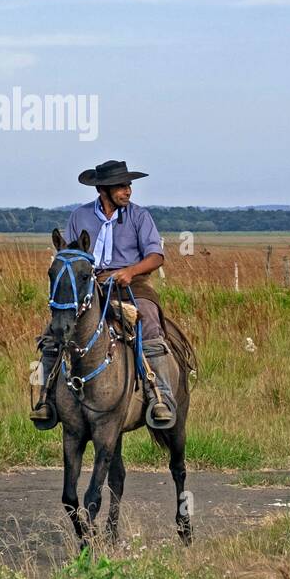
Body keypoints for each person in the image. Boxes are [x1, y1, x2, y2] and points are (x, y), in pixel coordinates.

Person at [30, 160, 175, 428]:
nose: (128, 191)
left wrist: (130, 271)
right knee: (54, 331)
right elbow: (69, 255)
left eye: (128, 185)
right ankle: (45, 399)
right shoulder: (79, 217)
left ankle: (160, 397)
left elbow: (156, 256)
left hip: (132, 285)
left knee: (150, 320)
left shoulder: (139, 216)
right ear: (102, 189)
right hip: (90, 286)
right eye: (121, 186)